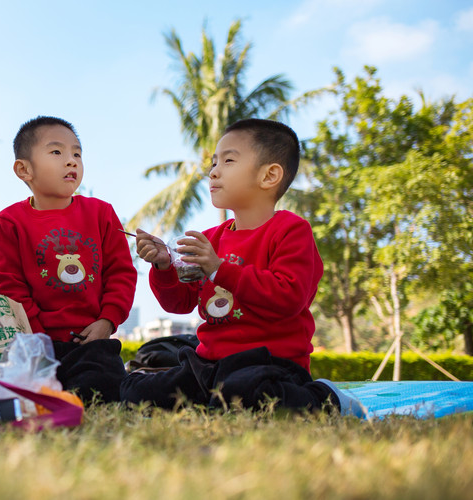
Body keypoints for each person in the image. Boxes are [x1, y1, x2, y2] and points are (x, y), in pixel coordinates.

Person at [123, 118, 365, 417]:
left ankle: (327, 397)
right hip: (209, 365)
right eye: (214, 162)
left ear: (269, 175)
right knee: (135, 392)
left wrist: (219, 268)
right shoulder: (213, 238)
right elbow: (180, 303)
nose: (213, 171)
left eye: (228, 160)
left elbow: (289, 297)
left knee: (245, 394)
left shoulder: (291, 230)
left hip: (269, 364)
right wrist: (163, 267)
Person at [0, 116, 137, 402]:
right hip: (33, 345)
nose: (71, 161)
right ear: (24, 169)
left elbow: (122, 273)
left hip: (91, 344)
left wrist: (108, 320)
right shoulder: (10, 221)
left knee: (103, 384)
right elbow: (8, 288)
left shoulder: (101, 213)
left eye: (77, 153)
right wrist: (39, 343)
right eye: (57, 152)